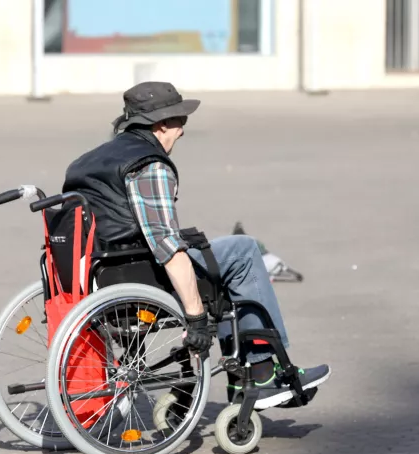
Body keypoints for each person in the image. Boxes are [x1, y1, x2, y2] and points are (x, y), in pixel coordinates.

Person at [61, 81, 331, 410]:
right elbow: (166, 246)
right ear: (161, 125)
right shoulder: (148, 165)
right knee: (242, 251)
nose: (183, 131)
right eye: (180, 122)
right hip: (141, 277)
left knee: (215, 256)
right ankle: (262, 370)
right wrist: (196, 318)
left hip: (101, 274)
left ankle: (241, 373)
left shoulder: (85, 162)